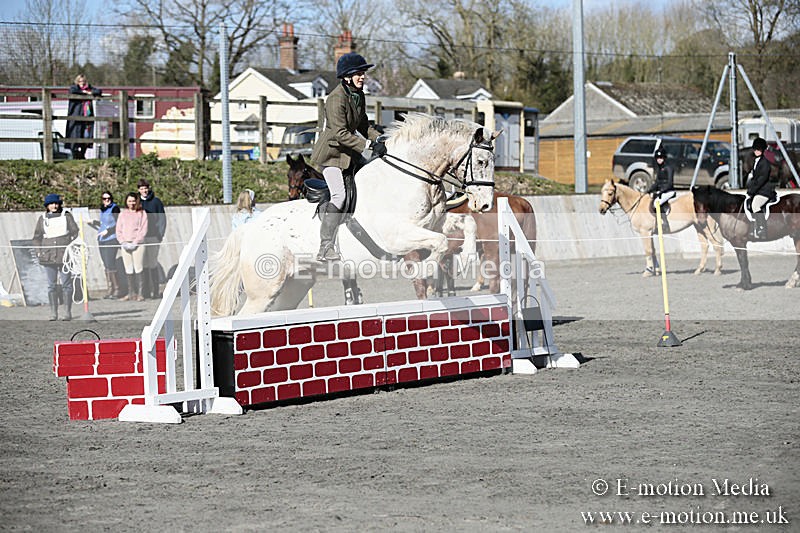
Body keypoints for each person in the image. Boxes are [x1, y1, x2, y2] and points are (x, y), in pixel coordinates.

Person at [311, 52, 385, 261]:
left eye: (363, 73)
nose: (363, 77)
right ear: (346, 76)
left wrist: (380, 139)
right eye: (358, 73)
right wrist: (367, 145)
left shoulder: (358, 94)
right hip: (332, 155)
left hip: (349, 153)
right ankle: (325, 246)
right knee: (339, 196)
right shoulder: (335, 99)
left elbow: (362, 124)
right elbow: (340, 133)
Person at [32, 193, 79, 321]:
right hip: (48, 256)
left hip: (65, 256)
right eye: (51, 203)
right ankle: (54, 313)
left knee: (67, 284)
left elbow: (75, 233)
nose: (54, 206)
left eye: (56, 203)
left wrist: (71, 246)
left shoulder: (67, 216)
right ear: (47, 205)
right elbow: (37, 237)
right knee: (51, 285)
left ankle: (67, 312)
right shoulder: (42, 219)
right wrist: (39, 251)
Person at [116, 193, 148, 302]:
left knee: (138, 268)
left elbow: (143, 230)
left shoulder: (142, 213)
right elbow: (118, 230)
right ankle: (131, 293)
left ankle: (140, 293)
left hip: (138, 244)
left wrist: (136, 242)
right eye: (129, 201)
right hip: (125, 244)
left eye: (133, 201)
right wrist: (123, 242)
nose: (131, 203)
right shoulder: (122, 214)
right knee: (128, 269)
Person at [89, 191, 122, 298]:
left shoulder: (115, 209)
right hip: (102, 239)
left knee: (110, 263)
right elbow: (104, 224)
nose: (107, 200)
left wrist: (109, 231)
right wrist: (94, 222)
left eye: (108, 198)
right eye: (104, 198)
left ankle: (117, 289)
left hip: (111, 239)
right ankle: (110, 289)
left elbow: (119, 224)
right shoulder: (103, 209)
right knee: (106, 265)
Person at [137, 179, 166, 299]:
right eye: (141, 188)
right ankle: (145, 291)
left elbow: (162, 219)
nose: (144, 190)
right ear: (138, 190)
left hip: (153, 236)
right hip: (140, 238)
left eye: (145, 188)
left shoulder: (156, 202)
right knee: (143, 264)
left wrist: (159, 235)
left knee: (153, 263)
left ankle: (155, 290)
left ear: (148, 188)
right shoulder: (137, 202)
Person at [66, 74, 102, 160]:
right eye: (80, 81)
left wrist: (90, 92)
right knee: (74, 136)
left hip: (87, 116)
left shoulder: (89, 88)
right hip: (76, 116)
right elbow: (73, 91)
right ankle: (75, 154)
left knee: (87, 136)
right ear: (77, 82)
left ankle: (82, 154)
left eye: (83, 81)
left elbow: (98, 91)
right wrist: (84, 93)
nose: (82, 83)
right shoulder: (74, 88)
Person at [746, 137, 775, 239]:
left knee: (755, 205)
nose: (756, 151)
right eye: (755, 149)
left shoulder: (765, 163)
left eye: (758, 150)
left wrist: (752, 190)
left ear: (762, 150)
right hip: (759, 190)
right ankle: (753, 227)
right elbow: (754, 178)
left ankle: (762, 228)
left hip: (765, 191)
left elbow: (762, 179)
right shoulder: (756, 161)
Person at [648, 147, 675, 233]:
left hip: (669, 191)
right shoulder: (659, 169)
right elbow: (657, 182)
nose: (659, 160)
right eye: (658, 158)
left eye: (661, 158)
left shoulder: (669, 168)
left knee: (656, 203)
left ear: (664, 158)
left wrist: (661, 191)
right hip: (662, 191)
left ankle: (665, 224)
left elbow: (670, 183)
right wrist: (649, 190)